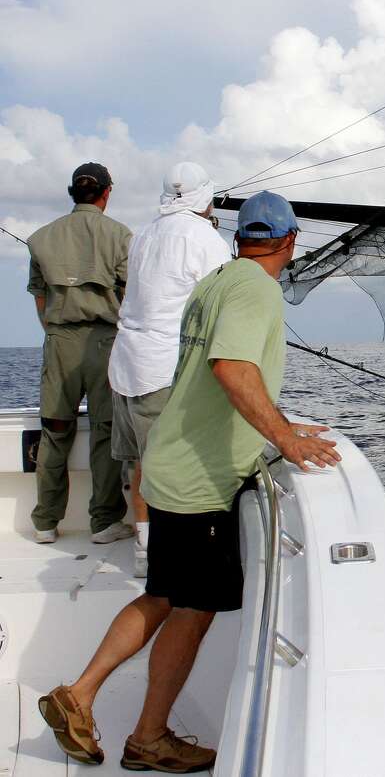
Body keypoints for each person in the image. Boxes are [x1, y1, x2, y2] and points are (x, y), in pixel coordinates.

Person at [38, 190, 340, 772]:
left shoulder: (220, 280)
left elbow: (206, 375)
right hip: (199, 480)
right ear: (290, 241)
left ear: (240, 238)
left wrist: (278, 421)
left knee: (165, 596)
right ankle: (137, 730)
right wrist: (286, 439)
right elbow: (230, 368)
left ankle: (87, 700)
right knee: (189, 606)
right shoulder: (257, 289)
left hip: (171, 462)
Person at [108, 162, 229, 577]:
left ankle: (145, 546)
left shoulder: (143, 232)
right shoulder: (205, 237)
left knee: (142, 461)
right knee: (168, 462)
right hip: (163, 367)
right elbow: (220, 301)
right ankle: (163, 553)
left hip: (126, 363)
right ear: (204, 197)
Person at [27, 162, 132, 545]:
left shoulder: (40, 238)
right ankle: (103, 522)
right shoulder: (121, 236)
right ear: (107, 192)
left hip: (59, 344)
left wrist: (57, 333)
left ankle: (44, 522)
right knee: (106, 432)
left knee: (55, 431)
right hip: (107, 344)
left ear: (74, 192)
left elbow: (41, 298)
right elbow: (131, 296)